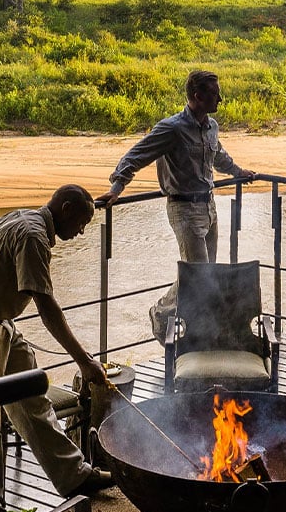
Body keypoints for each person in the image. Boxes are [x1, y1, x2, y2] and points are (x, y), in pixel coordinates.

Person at [0, 183, 114, 499]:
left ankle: (74, 476)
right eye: (82, 223)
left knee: (33, 399)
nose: (81, 231)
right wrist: (84, 361)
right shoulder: (33, 236)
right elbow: (47, 307)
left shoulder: (25, 219)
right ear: (66, 210)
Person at [94, 70, 255, 337]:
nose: (220, 99)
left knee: (206, 273)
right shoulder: (172, 128)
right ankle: (162, 313)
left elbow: (219, 156)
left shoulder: (212, 127)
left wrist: (239, 172)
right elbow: (136, 155)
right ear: (198, 96)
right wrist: (116, 189)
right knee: (199, 276)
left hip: (209, 207)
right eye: (215, 94)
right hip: (184, 210)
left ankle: (198, 328)